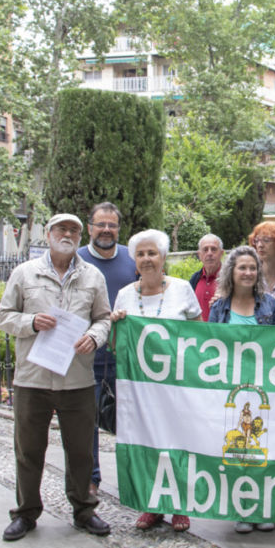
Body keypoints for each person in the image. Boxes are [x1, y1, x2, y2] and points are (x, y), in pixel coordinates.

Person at [0, 213, 112, 541]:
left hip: (76, 379)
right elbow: (3, 317)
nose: (68, 234)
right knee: (28, 449)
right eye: (62, 228)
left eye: (74, 230)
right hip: (32, 379)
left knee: (80, 452)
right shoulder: (25, 272)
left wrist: (95, 336)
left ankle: (84, 509)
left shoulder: (93, 276)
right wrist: (31, 322)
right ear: (48, 234)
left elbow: (103, 318)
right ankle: (26, 512)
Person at [111, 228, 200, 532]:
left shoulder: (181, 289)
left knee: (177, 442)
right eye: (141, 254)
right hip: (139, 389)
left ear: (163, 257)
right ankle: (152, 506)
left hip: (176, 386)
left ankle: (179, 506)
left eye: (152, 253)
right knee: (146, 444)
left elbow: (199, 337)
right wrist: (115, 326)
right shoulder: (124, 295)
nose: (147, 259)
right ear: (134, 260)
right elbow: (115, 345)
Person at [206, 244, 275, 533]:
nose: (248, 272)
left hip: (266, 388)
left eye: (252, 268)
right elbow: (209, 348)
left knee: (263, 448)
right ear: (231, 272)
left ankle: (262, 507)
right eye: (242, 268)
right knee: (237, 449)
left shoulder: (271, 305)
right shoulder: (218, 308)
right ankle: (242, 508)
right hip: (231, 389)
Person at [76, 202, 137, 500]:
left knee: (134, 421)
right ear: (89, 227)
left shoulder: (132, 258)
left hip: (128, 358)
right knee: (87, 424)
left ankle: (136, 480)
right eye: (101, 224)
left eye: (112, 225)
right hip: (89, 358)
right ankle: (91, 480)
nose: (106, 230)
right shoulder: (77, 261)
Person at [189, 233, 223, 321]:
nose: (209, 253)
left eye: (214, 249)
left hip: (221, 333)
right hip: (198, 333)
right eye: (205, 249)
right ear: (199, 255)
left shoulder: (231, 279)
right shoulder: (194, 279)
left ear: (221, 253)